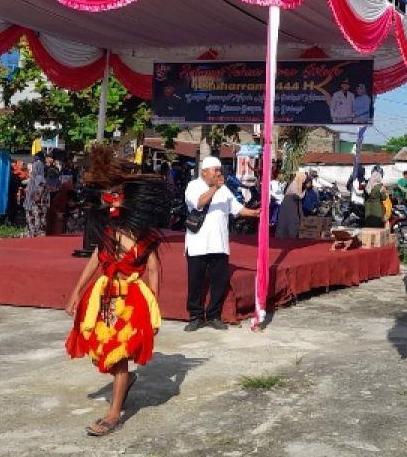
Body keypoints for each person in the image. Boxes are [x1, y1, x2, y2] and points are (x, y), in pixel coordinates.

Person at [65, 148, 169, 437]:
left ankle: (113, 415)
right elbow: (96, 259)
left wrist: (153, 309)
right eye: (108, 193)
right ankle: (127, 379)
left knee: (118, 353)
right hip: (105, 297)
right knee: (100, 351)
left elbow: (155, 271)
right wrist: (76, 292)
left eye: (116, 193)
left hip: (131, 301)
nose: (111, 198)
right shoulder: (108, 232)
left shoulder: (146, 237)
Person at [184, 157, 260, 331]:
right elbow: (198, 203)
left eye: (220, 170)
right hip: (198, 244)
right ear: (204, 172)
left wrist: (254, 213)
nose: (219, 173)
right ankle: (195, 316)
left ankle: (213, 315)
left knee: (219, 282)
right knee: (195, 282)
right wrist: (214, 188)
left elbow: (237, 208)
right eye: (215, 170)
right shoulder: (193, 186)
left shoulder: (224, 189)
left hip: (219, 244)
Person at [24, 154, 50, 237]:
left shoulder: (39, 178)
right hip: (33, 203)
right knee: (34, 221)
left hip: (37, 205)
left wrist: (35, 197)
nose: (32, 170)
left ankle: (36, 234)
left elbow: (39, 193)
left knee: (37, 221)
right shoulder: (35, 178)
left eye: (34, 167)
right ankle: (34, 234)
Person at [275, 171, 305, 239]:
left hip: (291, 204)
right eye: (303, 178)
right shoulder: (294, 184)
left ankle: (289, 235)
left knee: (289, 220)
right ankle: (289, 235)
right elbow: (298, 195)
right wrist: (304, 193)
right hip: (289, 204)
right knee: (291, 220)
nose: (303, 180)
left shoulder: (296, 184)